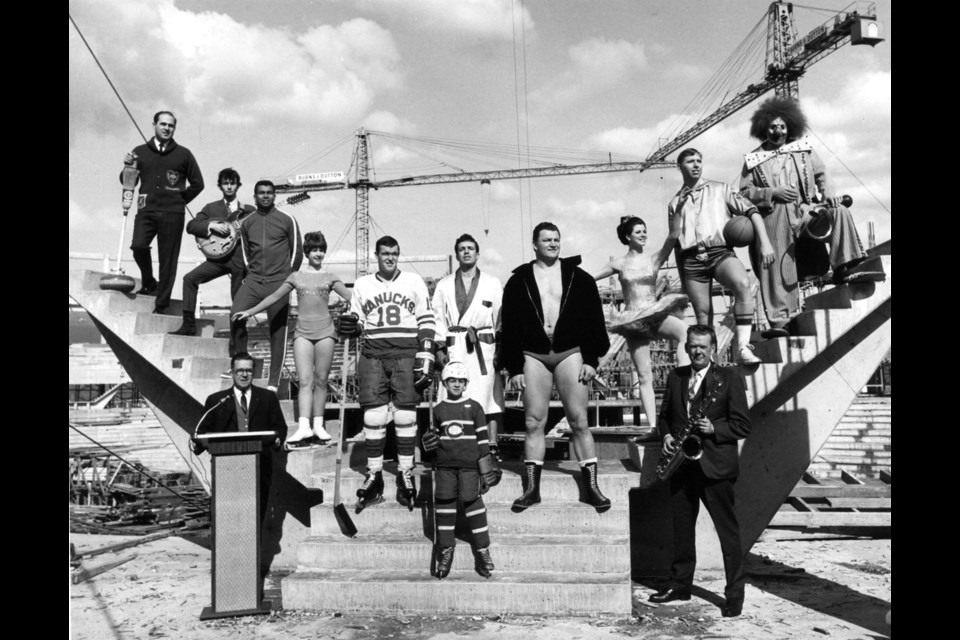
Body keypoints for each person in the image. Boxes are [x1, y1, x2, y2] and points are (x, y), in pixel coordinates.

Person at [739, 96, 884, 333]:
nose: (779, 131)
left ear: (790, 127)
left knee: (838, 211)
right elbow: (743, 192)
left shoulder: (803, 148)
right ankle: (782, 317)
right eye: (773, 126)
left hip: (806, 210)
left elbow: (822, 175)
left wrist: (829, 196)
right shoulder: (753, 159)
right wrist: (772, 192)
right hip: (774, 216)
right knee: (777, 261)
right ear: (764, 128)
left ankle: (844, 266)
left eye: (783, 126)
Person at [499, 222, 611, 512]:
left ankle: (592, 487)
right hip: (533, 354)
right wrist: (514, 368)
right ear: (534, 244)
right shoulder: (519, 280)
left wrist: (591, 360)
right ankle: (532, 490)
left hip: (569, 352)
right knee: (533, 422)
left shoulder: (579, 278)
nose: (552, 244)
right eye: (546, 240)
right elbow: (508, 327)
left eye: (556, 239)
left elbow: (595, 321)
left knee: (579, 420)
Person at [651, 324, 750, 618]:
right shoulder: (675, 377)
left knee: (728, 534)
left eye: (703, 347)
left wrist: (714, 428)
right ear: (686, 347)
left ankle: (734, 595)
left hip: (715, 467)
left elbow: (743, 425)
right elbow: (665, 417)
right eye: (693, 346)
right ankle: (680, 586)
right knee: (681, 531)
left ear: (713, 349)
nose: (697, 351)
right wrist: (667, 436)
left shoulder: (728, 378)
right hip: (682, 466)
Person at [339, 236, 437, 510]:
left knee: (405, 413)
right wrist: (351, 324)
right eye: (385, 254)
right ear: (376, 255)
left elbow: (426, 318)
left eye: (394, 253)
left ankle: (406, 471)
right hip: (373, 353)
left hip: (406, 352)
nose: (390, 258)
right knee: (373, 414)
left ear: (399, 254)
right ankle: (374, 473)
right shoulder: (362, 284)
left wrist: (426, 352)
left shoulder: (414, 282)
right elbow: (356, 316)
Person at [232, 231, 352, 449]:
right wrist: (250, 311)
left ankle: (318, 425)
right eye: (314, 250)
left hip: (326, 332)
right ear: (307, 252)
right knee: (304, 380)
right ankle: (304, 426)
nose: (318, 254)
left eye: (321, 250)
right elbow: (273, 297)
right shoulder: (296, 276)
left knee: (321, 380)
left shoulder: (331, 276)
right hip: (303, 333)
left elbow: (354, 297)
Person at [668, 148, 772, 365]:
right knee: (703, 315)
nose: (696, 164)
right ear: (680, 167)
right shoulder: (674, 203)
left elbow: (752, 211)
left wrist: (765, 243)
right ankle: (709, 364)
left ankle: (743, 348)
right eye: (690, 161)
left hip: (719, 252)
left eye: (699, 160)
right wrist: (682, 280)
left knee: (743, 284)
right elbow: (676, 242)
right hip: (691, 260)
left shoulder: (720, 188)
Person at [593, 216, 691, 430]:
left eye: (645, 230)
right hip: (633, 319)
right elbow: (590, 278)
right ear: (628, 237)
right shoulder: (618, 263)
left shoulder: (654, 259)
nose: (644, 234)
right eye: (638, 232)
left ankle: (682, 381)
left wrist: (679, 208)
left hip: (654, 311)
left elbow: (673, 235)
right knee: (644, 374)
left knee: (686, 333)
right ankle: (653, 426)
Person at [421, 361, 501, 580]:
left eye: (460, 381)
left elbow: (483, 442)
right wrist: (427, 443)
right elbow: (430, 442)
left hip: (469, 467)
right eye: (452, 381)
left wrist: (485, 470)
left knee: (474, 505)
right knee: (444, 508)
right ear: (445, 383)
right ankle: (446, 550)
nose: (456, 384)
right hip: (444, 467)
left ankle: (483, 550)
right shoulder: (437, 410)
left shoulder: (475, 407)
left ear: (466, 383)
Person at [431, 233, 506, 460]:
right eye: (462, 248)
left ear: (477, 253)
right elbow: (437, 319)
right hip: (455, 346)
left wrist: (500, 351)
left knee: (488, 396)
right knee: (451, 392)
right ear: (456, 254)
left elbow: (501, 318)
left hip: (484, 346)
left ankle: (490, 446)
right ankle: (451, 442)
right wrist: (440, 348)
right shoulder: (444, 285)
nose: (466, 252)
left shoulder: (492, 283)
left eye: (470, 248)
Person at [122, 110, 204, 315]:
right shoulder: (139, 151)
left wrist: (180, 199)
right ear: (154, 125)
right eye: (163, 124)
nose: (167, 128)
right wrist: (127, 166)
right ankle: (149, 282)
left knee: (168, 259)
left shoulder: (184, 154)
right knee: (138, 245)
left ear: (174, 128)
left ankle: (161, 303)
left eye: (171, 125)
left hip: (173, 213)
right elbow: (127, 181)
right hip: (146, 210)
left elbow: (198, 183)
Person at [191, 351, 287, 526]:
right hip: (226, 470)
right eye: (239, 371)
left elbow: (280, 427)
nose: (244, 374)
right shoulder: (216, 400)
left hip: (259, 468)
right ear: (232, 372)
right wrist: (197, 443)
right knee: (228, 520)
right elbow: (202, 431)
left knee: (255, 519)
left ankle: (255, 553)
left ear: (254, 372)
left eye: (248, 371)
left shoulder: (268, 398)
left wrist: (277, 439)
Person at [229, 180, 303, 392]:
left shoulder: (287, 219)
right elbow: (244, 254)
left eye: (269, 193)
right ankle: (240, 363)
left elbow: (297, 251)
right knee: (235, 314)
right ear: (255, 196)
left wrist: (288, 279)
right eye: (261, 193)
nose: (265, 196)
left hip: (279, 282)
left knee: (278, 330)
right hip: (253, 280)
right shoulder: (247, 222)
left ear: (274, 195)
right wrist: (249, 275)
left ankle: (273, 383)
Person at [169, 168, 254, 340]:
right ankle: (188, 325)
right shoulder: (211, 208)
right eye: (225, 183)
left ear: (238, 186)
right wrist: (211, 226)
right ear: (220, 186)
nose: (229, 187)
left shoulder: (250, 210)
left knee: (238, 305)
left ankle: (237, 348)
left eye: (232, 183)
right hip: (218, 259)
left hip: (239, 261)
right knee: (189, 279)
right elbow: (191, 226)